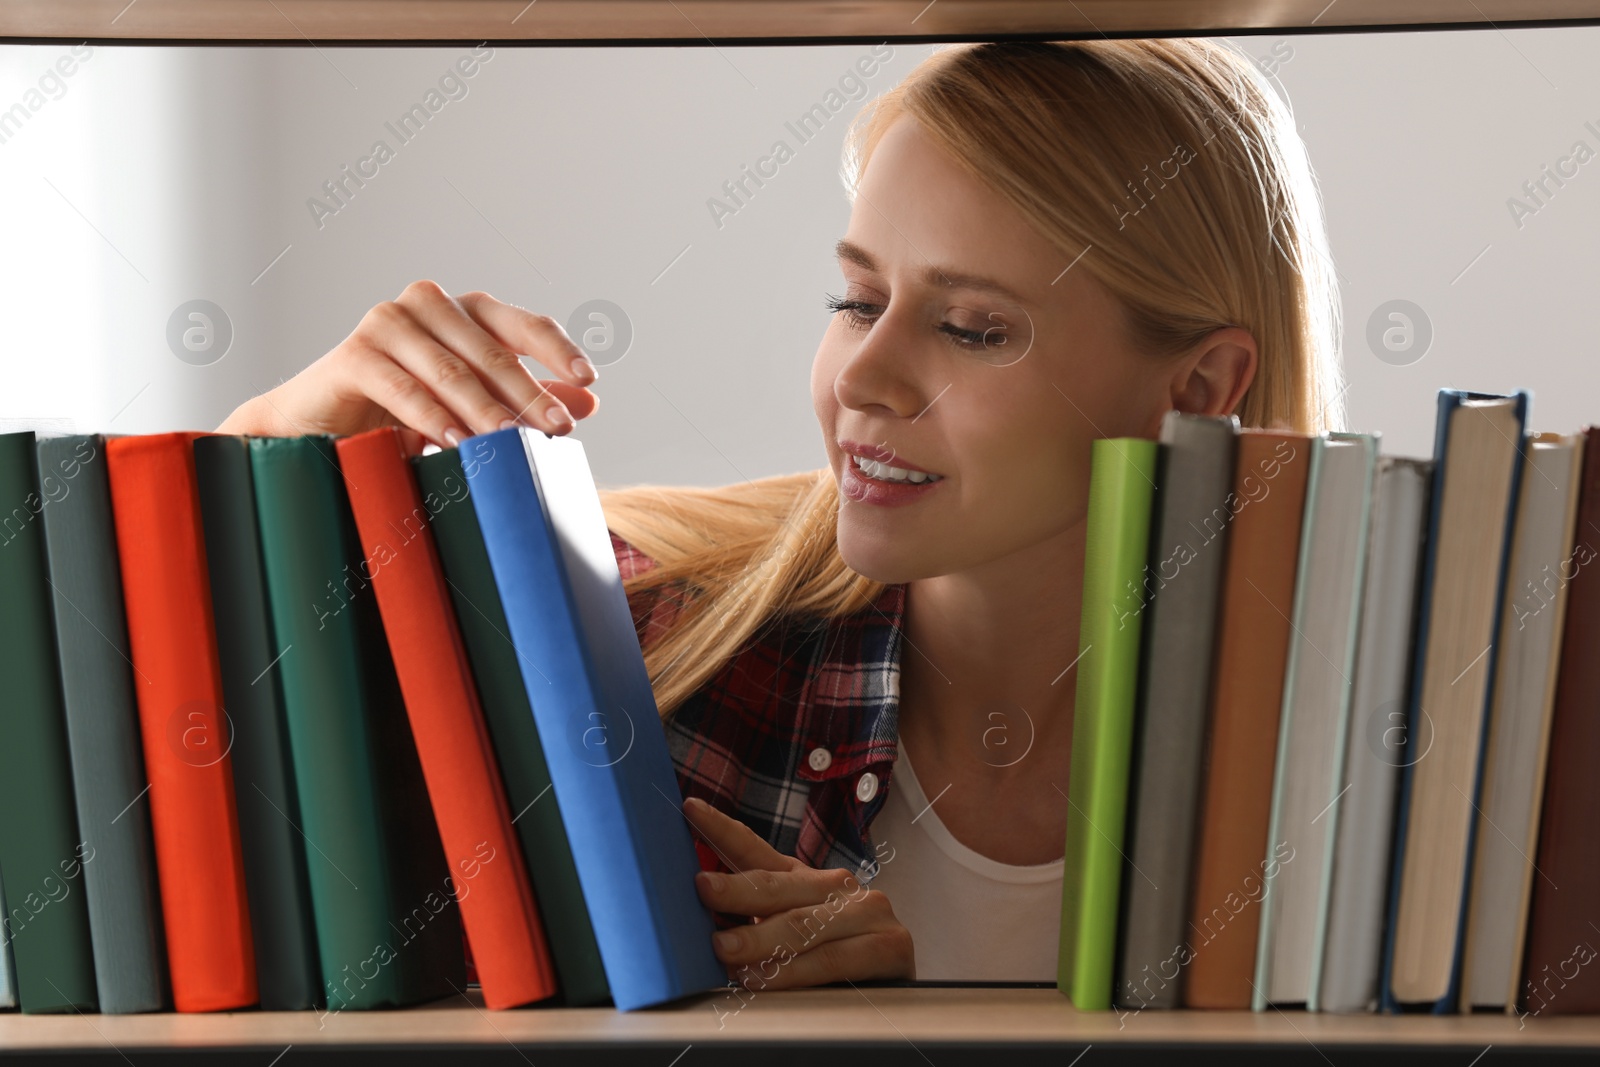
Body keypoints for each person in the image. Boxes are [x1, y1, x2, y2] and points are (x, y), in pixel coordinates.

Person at [218, 37, 1343, 992]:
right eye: (857, 300)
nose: (865, 378)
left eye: (972, 327)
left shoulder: (1353, 745)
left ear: (1197, 388)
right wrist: (258, 466)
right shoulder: (627, 642)